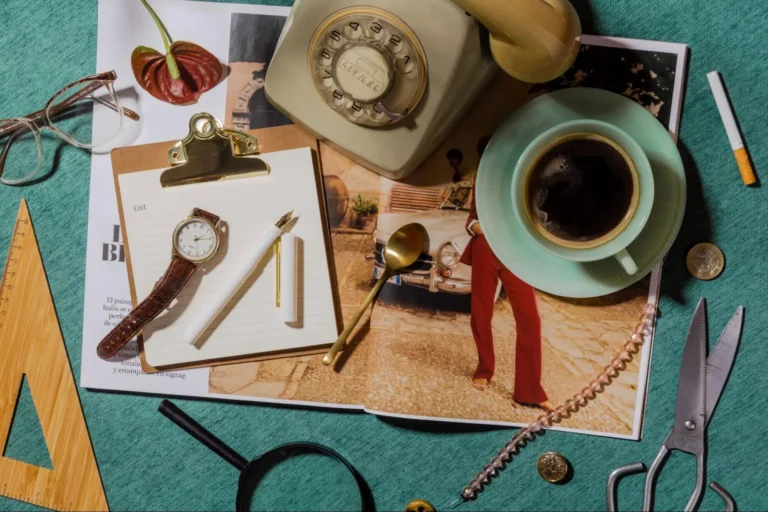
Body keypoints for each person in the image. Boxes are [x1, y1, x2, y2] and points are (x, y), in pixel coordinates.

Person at [461, 136, 554, 412]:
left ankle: (529, 391)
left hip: (515, 252)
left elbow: (538, 216)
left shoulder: (525, 174)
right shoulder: (482, 178)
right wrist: (481, 229)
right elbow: (472, 219)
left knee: (530, 319)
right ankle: (484, 369)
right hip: (486, 247)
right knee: (481, 313)